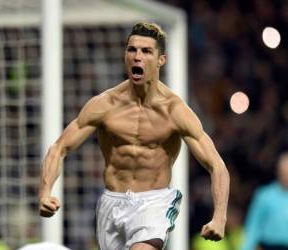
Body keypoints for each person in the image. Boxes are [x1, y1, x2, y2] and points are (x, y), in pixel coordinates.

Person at [39, 21, 230, 250]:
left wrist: (219, 217)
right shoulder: (105, 105)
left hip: (153, 203)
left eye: (146, 51)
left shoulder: (174, 111)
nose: (137, 56)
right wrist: (45, 192)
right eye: (132, 50)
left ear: (161, 60)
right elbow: (59, 148)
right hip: (112, 203)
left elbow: (216, 165)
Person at [241, 152, 288, 250]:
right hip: (270, 246)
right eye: (283, 171)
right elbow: (253, 226)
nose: (285, 175)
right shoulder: (264, 195)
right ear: (277, 171)